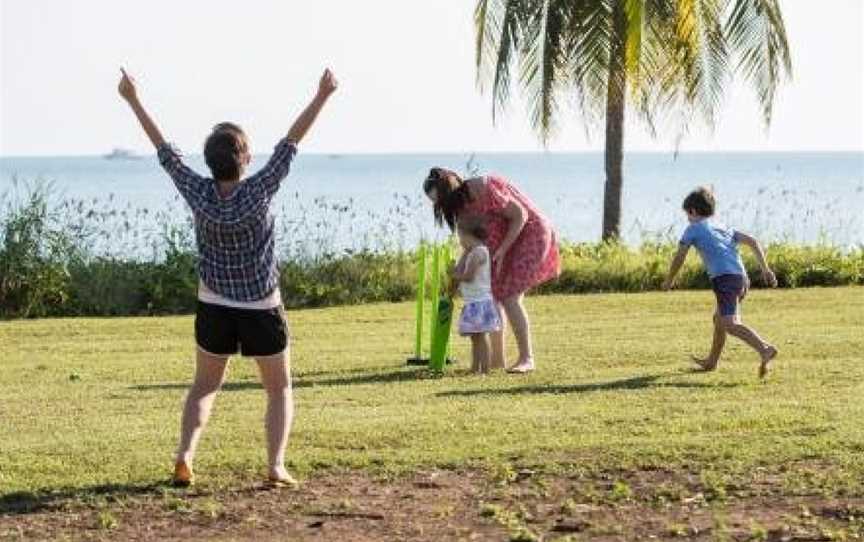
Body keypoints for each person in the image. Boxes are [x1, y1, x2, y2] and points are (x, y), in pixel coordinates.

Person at [118, 67, 338, 486]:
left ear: (211, 162)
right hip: (261, 305)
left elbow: (164, 151)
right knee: (278, 389)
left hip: (214, 303)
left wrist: (133, 99)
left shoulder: (198, 191)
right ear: (244, 159)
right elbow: (291, 142)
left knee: (204, 386)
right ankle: (275, 466)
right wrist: (322, 95)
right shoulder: (259, 189)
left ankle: (185, 455)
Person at [424, 168, 560, 374]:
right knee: (494, 295)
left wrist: (503, 250)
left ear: (449, 191)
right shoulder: (460, 207)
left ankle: (527, 358)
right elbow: (471, 246)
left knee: (510, 296)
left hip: (530, 233)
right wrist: (456, 278)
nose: (440, 207)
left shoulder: (482, 188)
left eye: (440, 201)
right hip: (503, 243)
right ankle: (497, 360)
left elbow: (519, 215)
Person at [662, 186, 779, 378]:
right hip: (741, 279)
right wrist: (765, 268)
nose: (687, 219)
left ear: (692, 211)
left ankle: (764, 348)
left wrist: (669, 280)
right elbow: (753, 241)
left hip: (725, 280)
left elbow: (679, 257)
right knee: (719, 320)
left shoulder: (693, 229)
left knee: (730, 323)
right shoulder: (723, 227)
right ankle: (711, 362)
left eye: (687, 215)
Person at [451, 218, 502, 374]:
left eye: (461, 237)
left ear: (469, 235)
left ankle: (485, 369)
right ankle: (475, 368)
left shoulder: (479, 252)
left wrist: (453, 275)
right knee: (475, 338)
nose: (460, 241)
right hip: (473, 302)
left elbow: (469, 276)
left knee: (481, 337)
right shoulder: (473, 252)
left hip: (479, 303)